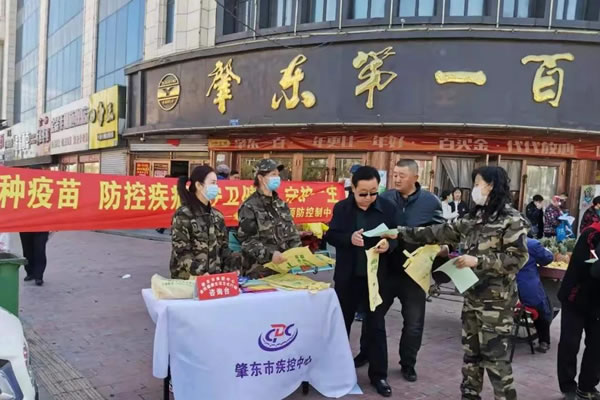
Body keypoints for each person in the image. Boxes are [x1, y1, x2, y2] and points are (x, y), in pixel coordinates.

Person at [396, 166, 529, 400]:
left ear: (491, 186)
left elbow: (517, 258)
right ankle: (469, 395)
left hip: (496, 304)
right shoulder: (473, 217)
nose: (474, 189)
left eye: (478, 184)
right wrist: (398, 232)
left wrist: (478, 261)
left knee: (495, 359)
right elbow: (438, 231)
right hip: (472, 297)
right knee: (471, 356)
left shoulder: (512, 219)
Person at [354, 159, 444, 383]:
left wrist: (444, 247)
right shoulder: (384, 198)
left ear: (415, 177)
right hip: (385, 269)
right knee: (373, 317)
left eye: (401, 175)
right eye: (394, 174)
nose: (396, 179)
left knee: (413, 323)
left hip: (414, 273)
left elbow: (441, 233)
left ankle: (408, 364)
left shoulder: (430, 202)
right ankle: (365, 353)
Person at [325, 166, 397, 397]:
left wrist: (389, 245)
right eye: (363, 193)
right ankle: (336, 371)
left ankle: (379, 375)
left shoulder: (388, 208)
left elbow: (397, 236)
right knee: (341, 325)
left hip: (375, 279)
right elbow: (331, 235)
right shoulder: (342, 208)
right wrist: (349, 238)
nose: (368, 197)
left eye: (373, 192)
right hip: (348, 278)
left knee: (376, 326)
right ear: (353, 189)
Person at [170, 166, 240, 279]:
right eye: (212, 183)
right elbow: (181, 251)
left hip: (214, 279)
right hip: (189, 280)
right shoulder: (184, 215)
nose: (216, 187)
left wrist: (233, 267)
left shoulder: (217, 216)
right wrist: (200, 273)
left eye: (216, 183)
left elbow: (224, 248)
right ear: (199, 185)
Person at [557, 222, 600, 400]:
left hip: (597, 302)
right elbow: (592, 268)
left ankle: (587, 386)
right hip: (575, 297)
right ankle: (568, 386)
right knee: (570, 343)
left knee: (596, 345)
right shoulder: (591, 234)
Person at [237, 159, 301, 278]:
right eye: (273, 174)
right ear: (261, 178)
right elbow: (247, 241)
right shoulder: (249, 206)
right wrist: (270, 255)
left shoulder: (281, 204)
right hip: (259, 270)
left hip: (284, 268)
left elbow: (292, 234)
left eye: (278, 175)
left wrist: (300, 254)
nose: (277, 178)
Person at [516, 238, 555, 353]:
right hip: (527, 290)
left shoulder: (501, 242)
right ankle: (544, 341)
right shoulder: (531, 244)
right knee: (542, 307)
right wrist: (548, 251)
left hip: (506, 290)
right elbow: (547, 258)